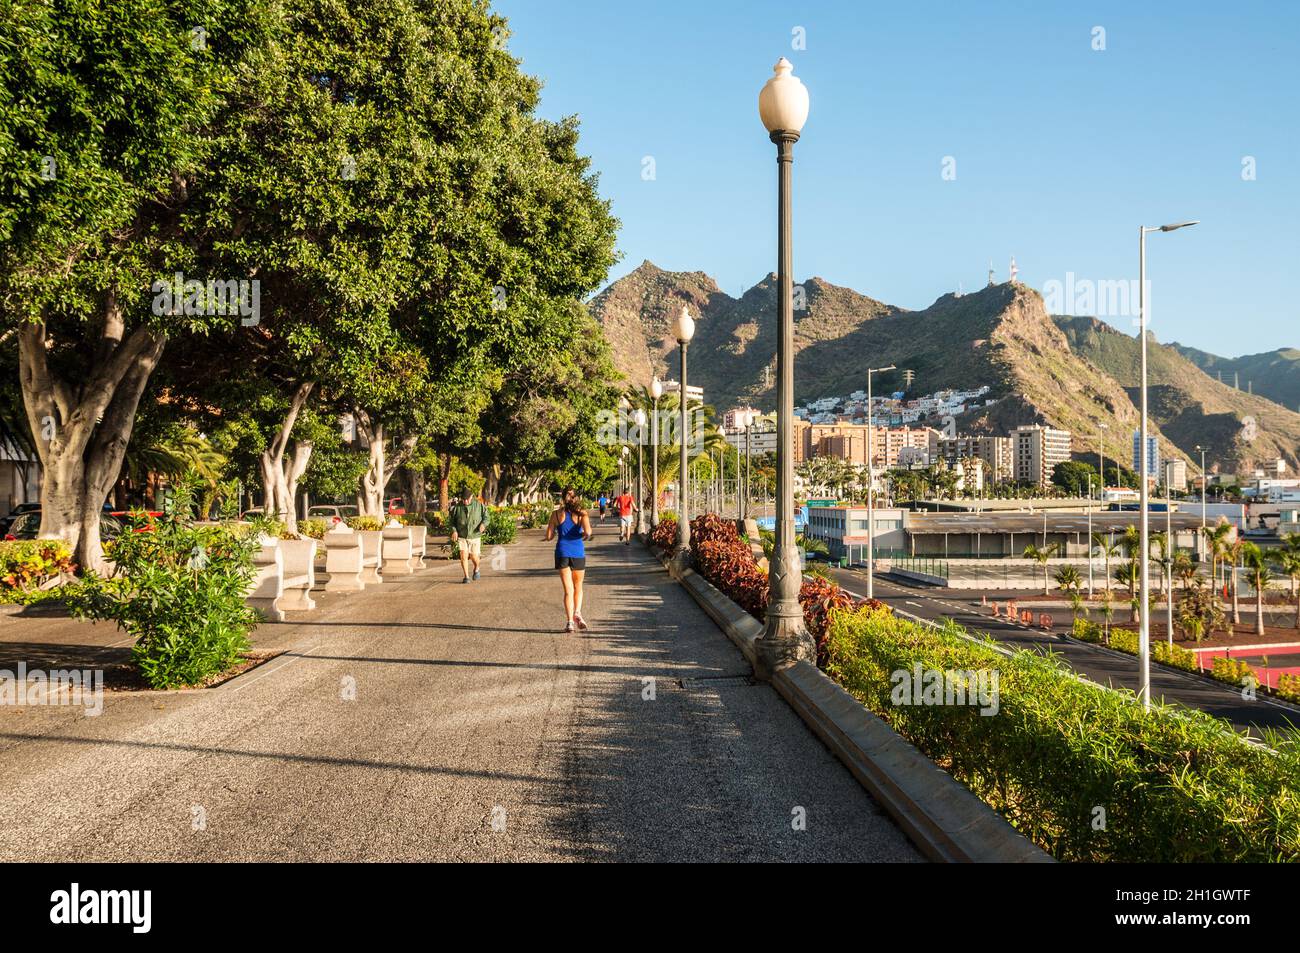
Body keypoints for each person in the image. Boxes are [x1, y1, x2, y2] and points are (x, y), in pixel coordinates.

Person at [546, 486, 593, 632]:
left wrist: (554, 533)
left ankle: (569, 623)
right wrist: (583, 535)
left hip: (562, 553)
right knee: (578, 587)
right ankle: (577, 613)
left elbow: (549, 536)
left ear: (563, 498)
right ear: (576, 498)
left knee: (568, 590)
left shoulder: (555, 514)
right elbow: (588, 532)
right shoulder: (582, 513)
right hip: (578, 552)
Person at [448, 488, 488, 583]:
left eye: (467, 499)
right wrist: (454, 531)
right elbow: (451, 522)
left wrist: (483, 524)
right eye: (463, 499)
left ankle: (477, 567)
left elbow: (487, 517)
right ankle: (466, 577)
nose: (465, 501)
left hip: (475, 535)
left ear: (471, 497)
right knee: (463, 555)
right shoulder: (457, 507)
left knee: (474, 556)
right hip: (462, 535)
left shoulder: (479, 505)